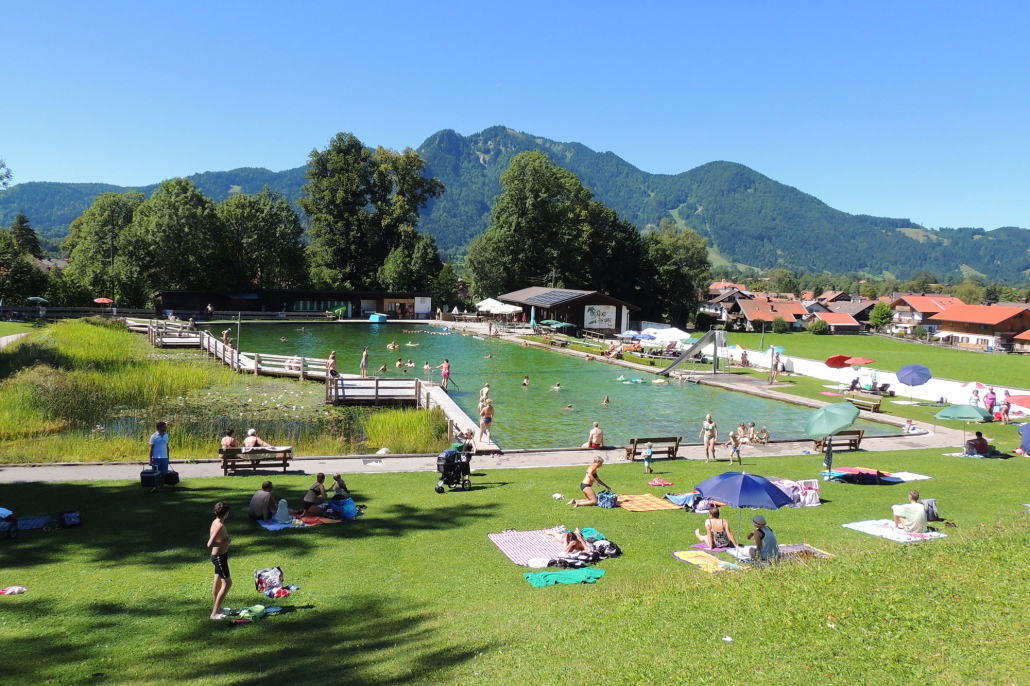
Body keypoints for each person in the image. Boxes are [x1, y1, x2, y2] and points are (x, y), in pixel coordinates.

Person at [207, 501, 232, 619]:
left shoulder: (215, 521)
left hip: (219, 556)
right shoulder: (220, 525)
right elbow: (210, 543)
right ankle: (214, 613)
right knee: (227, 583)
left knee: (217, 581)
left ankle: (218, 608)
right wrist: (224, 542)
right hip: (219, 558)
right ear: (226, 513)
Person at [148, 421, 170, 493]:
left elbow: (167, 446)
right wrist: (150, 459)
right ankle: (155, 487)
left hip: (164, 457)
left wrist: (168, 457)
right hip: (156, 457)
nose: (165, 428)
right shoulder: (154, 436)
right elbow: (151, 448)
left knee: (164, 473)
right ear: (160, 427)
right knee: (156, 473)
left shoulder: (166, 435)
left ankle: (162, 487)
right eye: (164, 426)